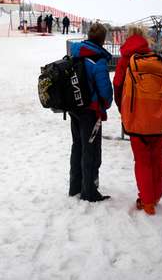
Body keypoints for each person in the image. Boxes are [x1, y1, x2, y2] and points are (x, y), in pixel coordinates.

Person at [114, 26, 162, 215]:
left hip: (136, 116)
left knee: (142, 160)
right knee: (157, 157)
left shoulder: (126, 59)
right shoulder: (155, 59)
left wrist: (122, 109)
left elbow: (117, 84)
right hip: (158, 116)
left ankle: (147, 202)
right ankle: (156, 196)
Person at [68, 22, 113, 202]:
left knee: (77, 145)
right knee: (91, 149)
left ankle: (75, 186)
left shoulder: (76, 53)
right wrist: (105, 104)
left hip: (75, 108)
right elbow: (105, 91)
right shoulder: (98, 60)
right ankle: (89, 190)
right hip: (91, 111)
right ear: (102, 40)